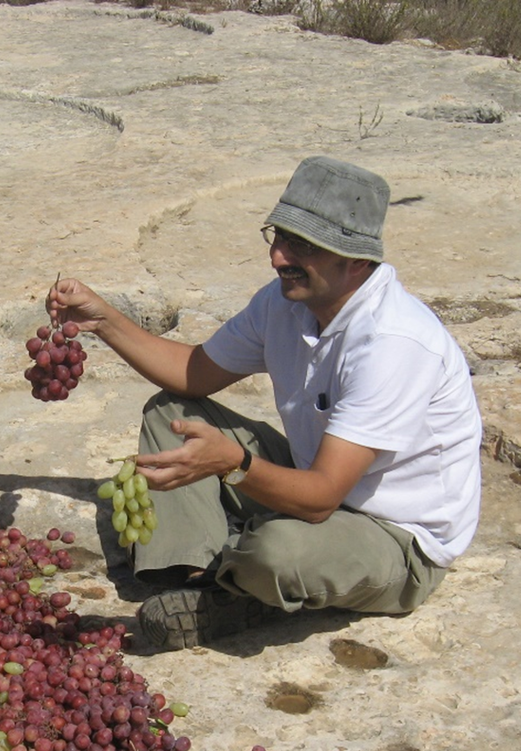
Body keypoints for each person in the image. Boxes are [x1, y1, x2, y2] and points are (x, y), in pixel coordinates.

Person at [46, 156, 482, 649]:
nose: (278, 258)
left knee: (278, 550)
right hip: (314, 477)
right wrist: (103, 319)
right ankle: (197, 576)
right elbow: (193, 375)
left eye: (303, 246)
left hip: (396, 538)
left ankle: (236, 592)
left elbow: (320, 499)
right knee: (172, 415)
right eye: (278, 237)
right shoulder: (284, 303)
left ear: (357, 261)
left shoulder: (393, 343)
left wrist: (233, 464)